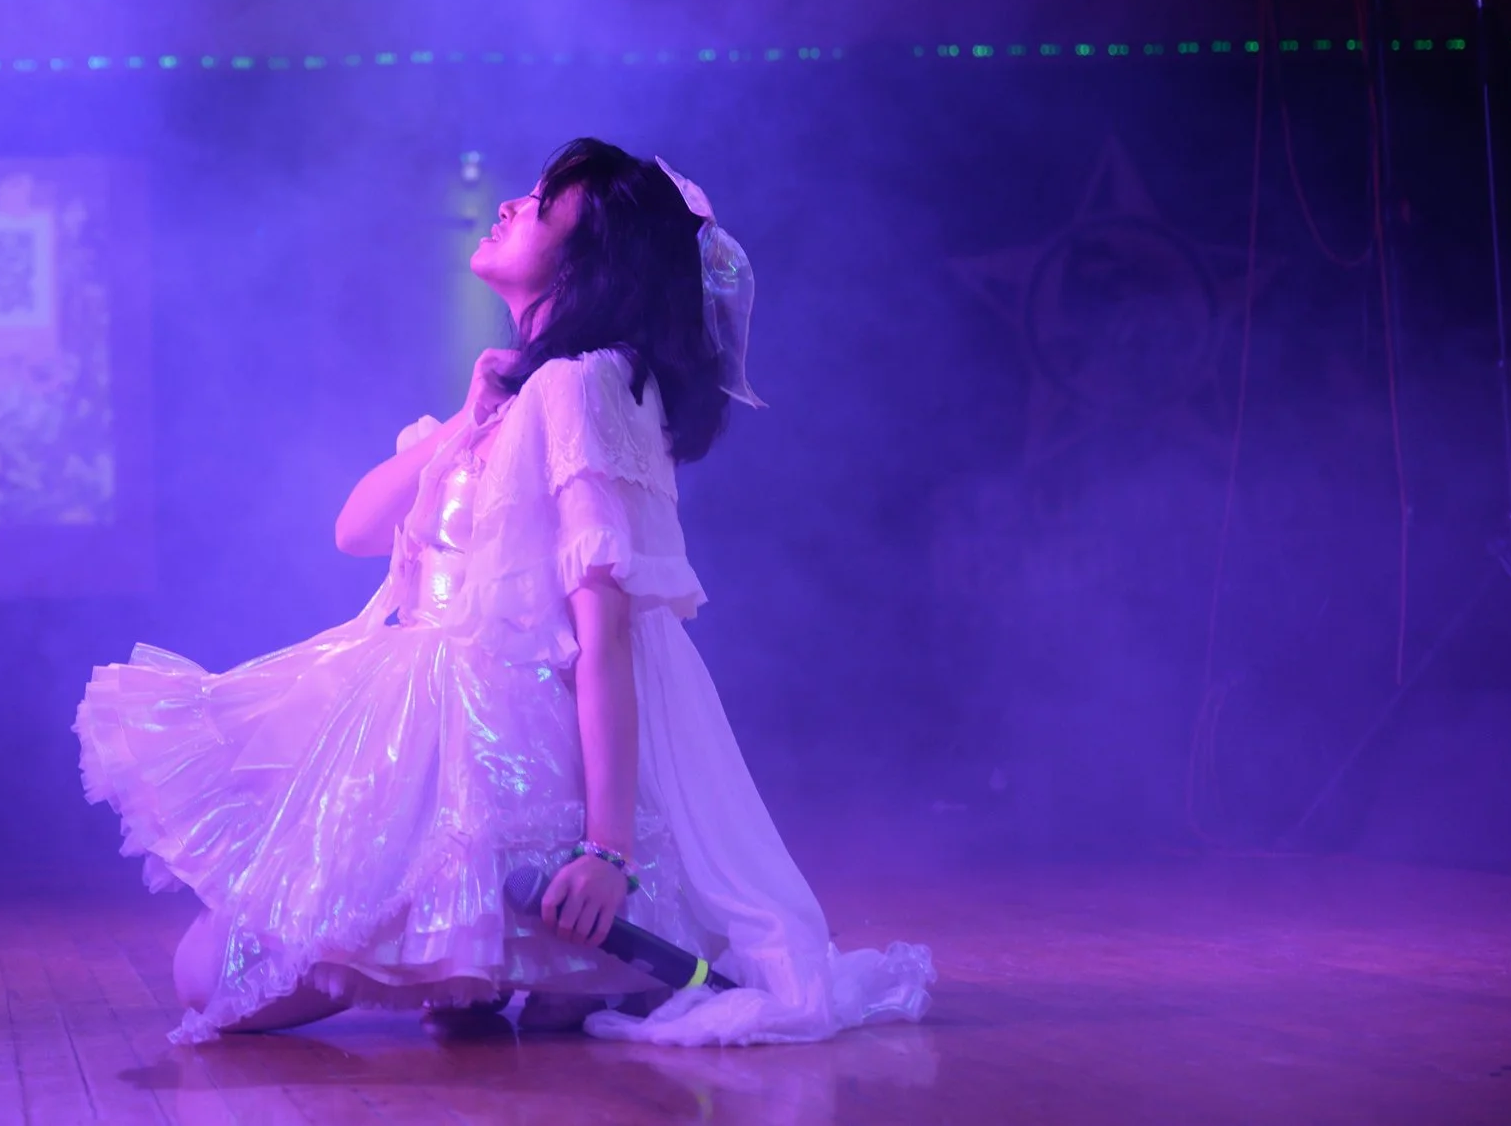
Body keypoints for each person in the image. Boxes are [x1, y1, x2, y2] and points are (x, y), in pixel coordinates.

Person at [76, 138, 933, 1046]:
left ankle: (535, 947)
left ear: (590, 254)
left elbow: (605, 634)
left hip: (506, 741)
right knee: (208, 968)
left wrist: (608, 852)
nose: (512, 206)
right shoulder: (525, 391)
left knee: (211, 977)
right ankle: (495, 969)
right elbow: (356, 529)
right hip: (428, 721)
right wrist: (464, 419)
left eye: (539, 200)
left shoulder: (583, 385)